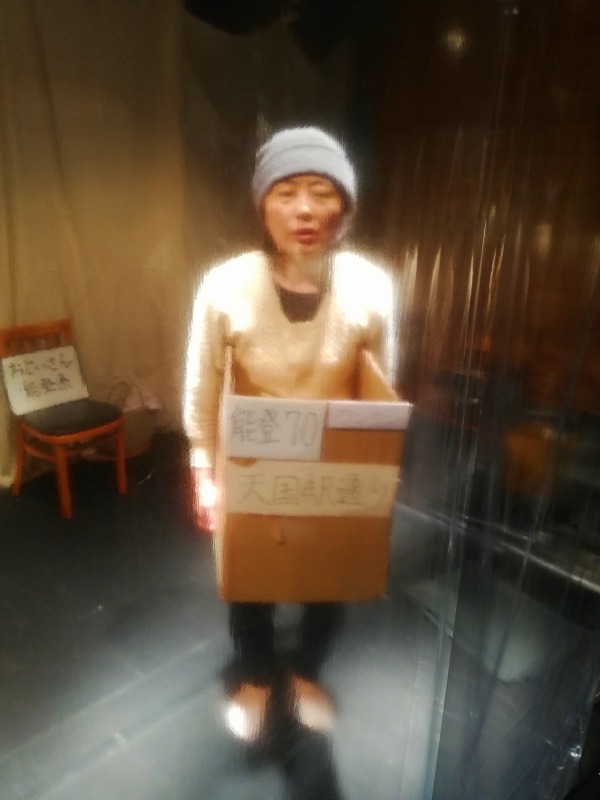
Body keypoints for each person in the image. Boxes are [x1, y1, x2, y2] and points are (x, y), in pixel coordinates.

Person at [183, 126, 396, 743]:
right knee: (249, 575)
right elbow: (201, 384)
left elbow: (383, 388)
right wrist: (202, 469)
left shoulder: (372, 287)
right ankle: (254, 675)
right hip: (253, 457)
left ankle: (305, 671)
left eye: (322, 192)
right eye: (287, 192)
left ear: (344, 208)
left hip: (333, 459)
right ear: (263, 207)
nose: (304, 209)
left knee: (329, 574)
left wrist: (375, 473)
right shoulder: (225, 285)